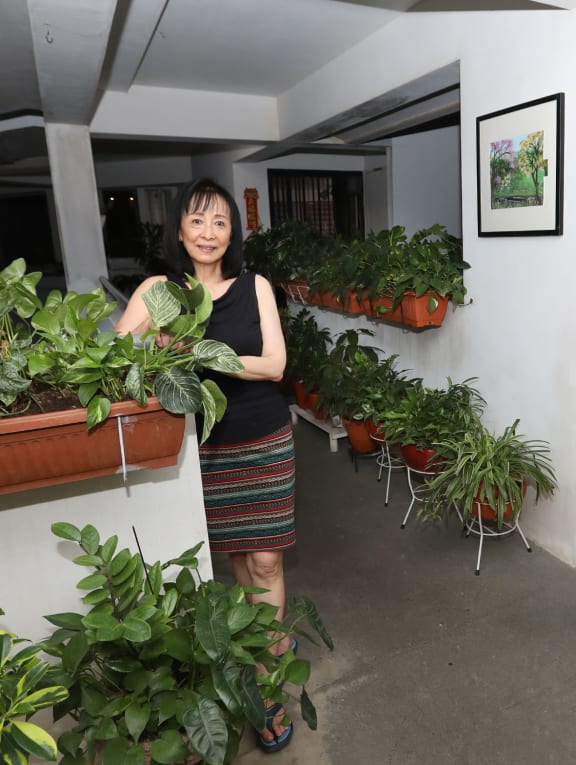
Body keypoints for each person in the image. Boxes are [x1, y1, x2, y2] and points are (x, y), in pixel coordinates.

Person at [114, 177, 296, 753]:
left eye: (220, 222)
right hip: (205, 446)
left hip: (264, 437)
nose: (209, 232)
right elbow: (120, 358)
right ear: (179, 230)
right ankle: (257, 655)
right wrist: (153, 341)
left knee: (264, 561)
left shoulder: (255, 286)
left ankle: (268, 687)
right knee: (239, 563)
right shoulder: (160, 291)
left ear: (232, 233)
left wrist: (201, 353)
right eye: (198, 220)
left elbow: (273, 366)